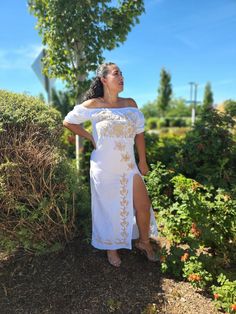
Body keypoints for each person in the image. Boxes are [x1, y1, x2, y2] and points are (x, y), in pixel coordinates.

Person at [63, 62, 158, 267]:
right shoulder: (93, 105)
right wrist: (89, 137)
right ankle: (111, 247)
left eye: (122, 73)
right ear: (104, 79)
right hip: (104, 167)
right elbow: (69, 121)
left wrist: (143, 160)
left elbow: (139, 133)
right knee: (109, 208)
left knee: (143, 205)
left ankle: (144, 242)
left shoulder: (130, 104)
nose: (121, 76)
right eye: (116, 73)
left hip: (128, 165)